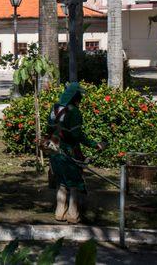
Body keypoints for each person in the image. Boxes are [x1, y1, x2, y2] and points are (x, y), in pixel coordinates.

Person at [46, 82, 104, 224]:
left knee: (61, 182)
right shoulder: (74, 112)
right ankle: (73, 215)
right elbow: (77, 135)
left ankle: (59, 213)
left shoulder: (54, 109)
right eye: (79, 97)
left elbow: (49, 129)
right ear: (75, 98)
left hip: (54, 151)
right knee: (73, 183)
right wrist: (95, 145)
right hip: (69, 153)